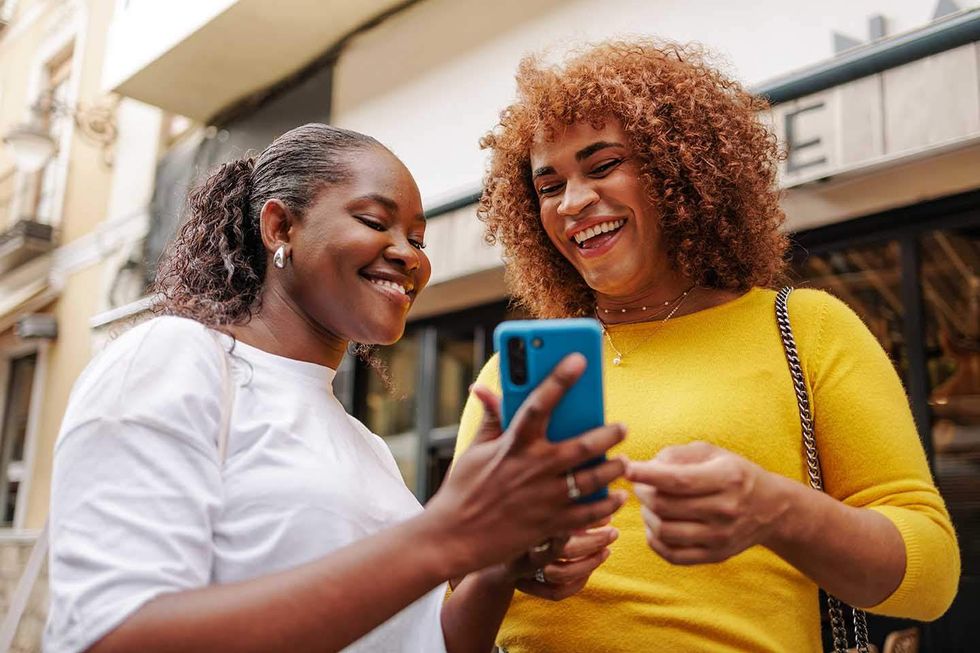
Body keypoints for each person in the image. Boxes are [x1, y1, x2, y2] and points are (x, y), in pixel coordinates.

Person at [454, 40, 960, 652]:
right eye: (549, 184)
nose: (574, 201)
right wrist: (514, 564)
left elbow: (930, 579)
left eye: (603, 164)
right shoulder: (510, 374)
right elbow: (451, 586)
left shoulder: (804, 328)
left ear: (679, 171)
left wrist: (777, 512)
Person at [44, 123, 629, 653]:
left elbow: (420, 643)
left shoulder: (363, 443)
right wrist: (446, 535)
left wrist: (496, 567)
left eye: (419, 239)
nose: (407, 254)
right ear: (280, 226)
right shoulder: (177, 357)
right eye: (376, 223)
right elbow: (113, 633)